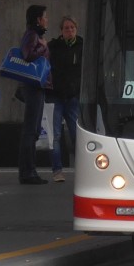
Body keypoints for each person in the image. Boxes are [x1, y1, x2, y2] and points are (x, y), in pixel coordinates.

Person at [17, 4, 50, 185]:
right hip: (33, 86)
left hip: (38, 86)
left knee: (34, 130)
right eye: (44, 16)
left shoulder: (36, 35)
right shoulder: (32, 35)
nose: (47, 20)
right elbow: (27, 54)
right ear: (38, 19)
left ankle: (30, 170)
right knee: (30, 131)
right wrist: (43, 47)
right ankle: (27, 172)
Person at [47, 15, 82, 182]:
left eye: (72, 28)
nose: (70, 30)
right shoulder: (53, 47)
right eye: (66, 28)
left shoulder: (82, 46)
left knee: (77, 135)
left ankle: (81, 169)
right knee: (56, 135)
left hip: (73, 97)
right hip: (56, 96)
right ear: (61, 31)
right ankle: (57, 170)